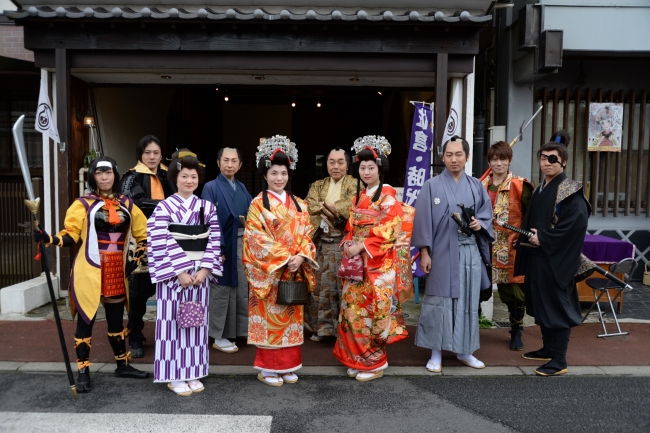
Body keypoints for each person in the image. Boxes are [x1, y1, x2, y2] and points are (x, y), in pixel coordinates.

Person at [33, 156, 149, 393]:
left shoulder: (127, 203)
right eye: (99, 173)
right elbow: (71, 235)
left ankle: (122, 364)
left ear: (115, 175)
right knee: (86, 320)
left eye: (108, 172)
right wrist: (49, 239)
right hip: (90, 268)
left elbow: (144, 233)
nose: (104, 177)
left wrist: (135, 260)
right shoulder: (82, 204)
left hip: (117, 269)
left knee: (117, 321)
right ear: (93, 176)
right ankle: (83, 370)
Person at [412, 136, 494, 373]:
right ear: (442, 157)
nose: (454, 159)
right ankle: (435, 352)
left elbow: (486, 218)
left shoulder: (476, 186)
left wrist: (480, 224)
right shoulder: (431, 185)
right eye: (449, 154)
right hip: (440, 252)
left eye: (459, 154)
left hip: (469, 253)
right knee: (439, 301)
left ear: (467, 157)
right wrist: (424, 253)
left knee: (468, 301)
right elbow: (423, 221)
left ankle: (464, 350)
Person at [333, 136, 411, 382]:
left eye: (371, 168)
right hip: (357, 266)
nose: (366, 172)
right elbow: (350, 227)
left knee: (373, 314)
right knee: (352, 312)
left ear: (380, 169)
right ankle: (357, 360)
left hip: (377, 266)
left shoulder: (387, 196)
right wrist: (348, 242)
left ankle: (376, 363)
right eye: (362, 168)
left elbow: (391, 228)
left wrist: (362, 245)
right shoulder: (359, 197)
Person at [243, 136, 318, 387]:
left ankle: (287, 366)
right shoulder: (257, 204)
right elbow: (255, 239)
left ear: (289, 174)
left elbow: (308, 235)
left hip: (294, 272)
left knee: (291, 318)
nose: (279, 178)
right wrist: (286, 258)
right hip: (271, 273)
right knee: (269, 320)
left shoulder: (300, 204)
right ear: (265, 175)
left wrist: (301, 257)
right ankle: (268, 369)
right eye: (274, 173)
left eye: (283, 173)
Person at [147, 149, 223, 396]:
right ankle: (174, 374)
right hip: (174, 276)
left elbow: (213, 239)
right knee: (172, 325)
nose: (189, 181)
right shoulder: (164, 208)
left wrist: (205, 268)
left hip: (200, 274)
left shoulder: (207, 207)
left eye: (193, 176)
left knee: (196, 323)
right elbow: (160, 238)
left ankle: (193, 371)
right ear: (174, 178)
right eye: (184, 176)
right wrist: (179, 270)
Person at [514, 134, 590, 377]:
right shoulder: (539, 189)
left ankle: (559, 360)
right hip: (539, 258)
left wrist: (544, 238)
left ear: (564, 163)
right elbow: (532, 221)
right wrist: (524, 238)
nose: (547, 162)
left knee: (556, 306)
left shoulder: (569, 190)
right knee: (541, 304)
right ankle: (548, 348)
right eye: (543, 158)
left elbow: (576, 224)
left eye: (553, 159)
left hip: (557, 260)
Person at [119, 134, 176, 358]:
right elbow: (131, 203)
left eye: (156, 152)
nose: (152, 157)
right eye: (147, 152)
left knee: (169, 291)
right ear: (140, 154)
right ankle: (135, 335)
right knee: (139, 292)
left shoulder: (169, 175)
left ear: (162, 154)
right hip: (142, 241)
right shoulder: (130, 177)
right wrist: (167, 206)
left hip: (169, 240)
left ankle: (168, 335)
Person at [481, 141, 533, 351]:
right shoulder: (480, 184)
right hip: (483, 246)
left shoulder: (521, 185)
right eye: (495, 159)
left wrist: (524, 240)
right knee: (477, 289)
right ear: (489, 161)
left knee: (514, 292)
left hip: (510, 247)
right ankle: (471, 332)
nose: (499, 163)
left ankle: (516, 331)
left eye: (503, 159)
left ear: (510, 160)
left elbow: (532, 216)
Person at [202, 147, 253, 354]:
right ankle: (218, 334)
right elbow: (209, 220)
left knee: (240, 288)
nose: (230, 164)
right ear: (218, 162)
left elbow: (253, 215)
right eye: (226, 160)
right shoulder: (210, 187)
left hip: (241, 244)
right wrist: (217, 248)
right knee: (221, 289)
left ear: (240, 165)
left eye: (234, 161)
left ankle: (239, 330)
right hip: (221, 244)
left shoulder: (241, 188)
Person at [304, 147, 357, 341]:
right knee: (318, 287)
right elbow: (310, 207)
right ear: (326, 164)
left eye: (340, 162)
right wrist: (332, 210)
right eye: (331, 162)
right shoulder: (318, 185)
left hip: (343, 246)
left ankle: (340, 330)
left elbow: (352, 207)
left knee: (340, 287)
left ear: (347, 164)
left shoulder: (354, 184)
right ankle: (321, 328)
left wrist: (328, 208)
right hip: (321, 243)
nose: (336, 166)